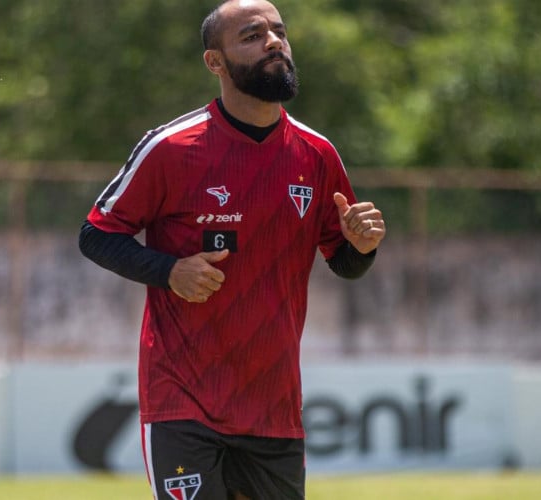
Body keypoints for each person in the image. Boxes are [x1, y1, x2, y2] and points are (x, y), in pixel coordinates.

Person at [79, 0, 385, 498]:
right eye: (251, 35)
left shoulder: (317, 154)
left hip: (274, 410)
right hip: (183, 401)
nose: (273, 42)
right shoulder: (171, 147)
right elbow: (95, 234)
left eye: (279, 33)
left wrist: (363, 246)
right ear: (215, 62)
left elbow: (344, 262)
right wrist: (170, 270)